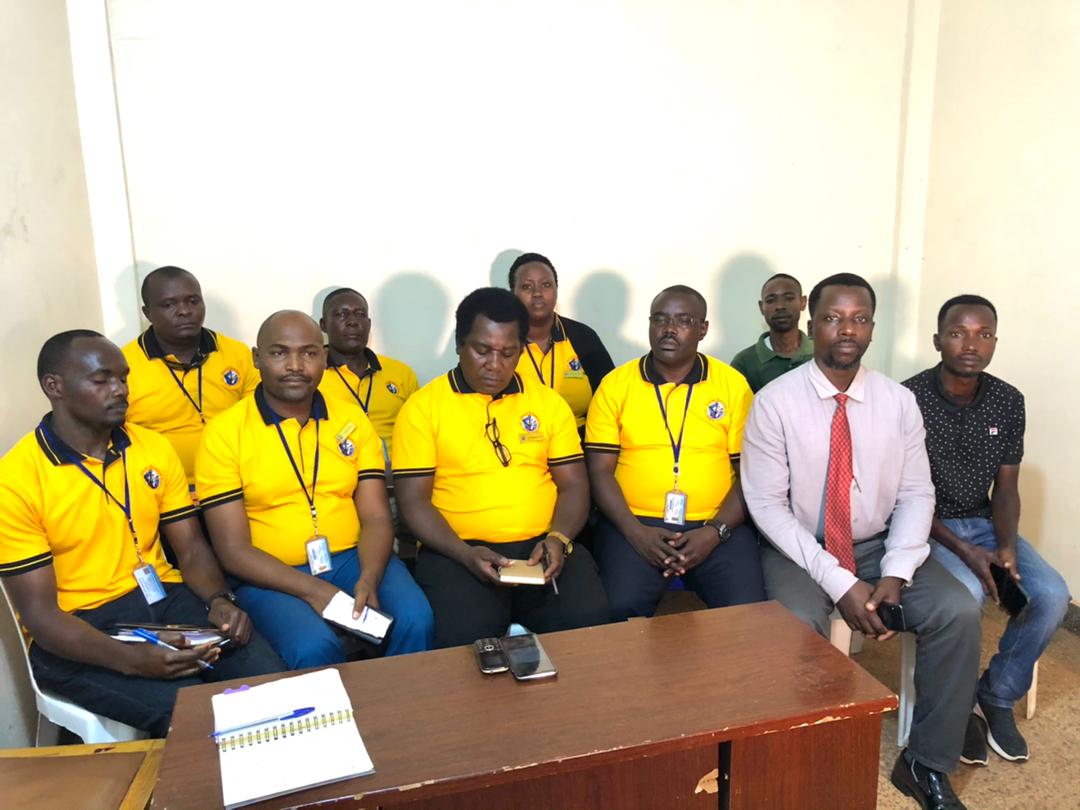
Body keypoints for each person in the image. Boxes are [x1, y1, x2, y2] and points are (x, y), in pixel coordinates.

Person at [741, 273, 982, 810]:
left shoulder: (898, 402)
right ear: (812, 326)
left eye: (859, 319)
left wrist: (896, 572)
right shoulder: (774, 402)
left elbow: (917, 492)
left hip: (878, 544)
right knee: (792, 624)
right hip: (800, 548)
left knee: (958, 611)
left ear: (872, 328)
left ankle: (926, 763)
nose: (846, 330)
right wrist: (840, 582)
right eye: (832, 318)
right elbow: (767, 506)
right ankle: (801, 760)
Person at [0, 330, 283, 737]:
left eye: (123, 378)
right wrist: (133, 660)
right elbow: (43, 618)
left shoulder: (150, 446)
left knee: (269, 680)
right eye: (101, 380)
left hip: (163, 599)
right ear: (54, 387)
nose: (120, 390)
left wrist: (219, 599)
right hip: (80, 629)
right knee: (198, 716)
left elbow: (191, 548)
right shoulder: (16, 481)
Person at [195, 311, 433, 668]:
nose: (295, 366)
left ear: (323, 357)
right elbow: (233, 551)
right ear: (257, 358)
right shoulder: (224, 433)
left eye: (308, 353)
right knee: (313, 646)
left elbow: (376, 517)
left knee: (415, 619)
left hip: (353, 558)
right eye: (279, 353)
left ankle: (400, 701)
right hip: (270, 572)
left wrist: (369, 578)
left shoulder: (351, 419)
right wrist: (315, 591)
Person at [392, 288, 609, 648]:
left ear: (521, 350)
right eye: (482, 350)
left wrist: (558, 538)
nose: (495, 364)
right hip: (457, 551)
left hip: (542, 548)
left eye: (508, 353)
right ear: (459, 344)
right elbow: (413, 502)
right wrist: (464, 554)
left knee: (589, 630)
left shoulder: (549, 404)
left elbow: (573, 485)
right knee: (463, 647)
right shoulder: (422, 409)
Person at [904, 295, 1069, 765]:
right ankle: (952, 712)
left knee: (1051, 594)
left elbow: (1007, 488)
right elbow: (900, 497)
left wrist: (1006, 545)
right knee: (967, 596)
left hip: (983, 523)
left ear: (995, 341)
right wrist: (967, 552)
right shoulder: (906, 399)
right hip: (927, 527)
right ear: (937, 340)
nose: (971, 344)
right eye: (958, 333)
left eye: (984, 334)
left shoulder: (1007, 400)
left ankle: (996, 693)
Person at [584, 285, 765, 619]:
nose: (669, 329)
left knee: (746, 609)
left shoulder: (732, 385)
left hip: (716, 523)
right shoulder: (615, 385)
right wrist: (636, 534)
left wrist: (713, 532)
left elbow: (751, 475)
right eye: (660, 319)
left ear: (702, 329)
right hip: (633, 522)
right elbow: (599, 472)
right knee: (618, 608)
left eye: (683, 320)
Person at [122, 266, 258, 487]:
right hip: (161, 488)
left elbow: (258, 419)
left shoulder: (237, 354)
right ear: (147, 313)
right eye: (169, 305)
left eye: (193, 301)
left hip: (236, 480)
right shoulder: (123, 366)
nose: (184, 311)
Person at [508, 253, 615, 432]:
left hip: (579, 441)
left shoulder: (583, 337)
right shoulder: (501, 340)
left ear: (556, 290)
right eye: (527, 286)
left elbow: (612, 400)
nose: (537, 293)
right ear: (513, 293)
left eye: (546, 285)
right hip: (516, 441)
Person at [318, 287, 418, 465]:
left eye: (360, 314)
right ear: (323, 325)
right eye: (342, 314)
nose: (352, 322)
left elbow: (419, 431)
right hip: (336, 475)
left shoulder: (400, 373)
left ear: (369, 324)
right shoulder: (312, 375)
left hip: (395, 475)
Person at [730, 273, 813, 393]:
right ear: (761, 307)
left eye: (789, 298)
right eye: (771, 301)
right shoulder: (744, 362)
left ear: (803, 302)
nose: (780, 306)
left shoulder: (822, 354)